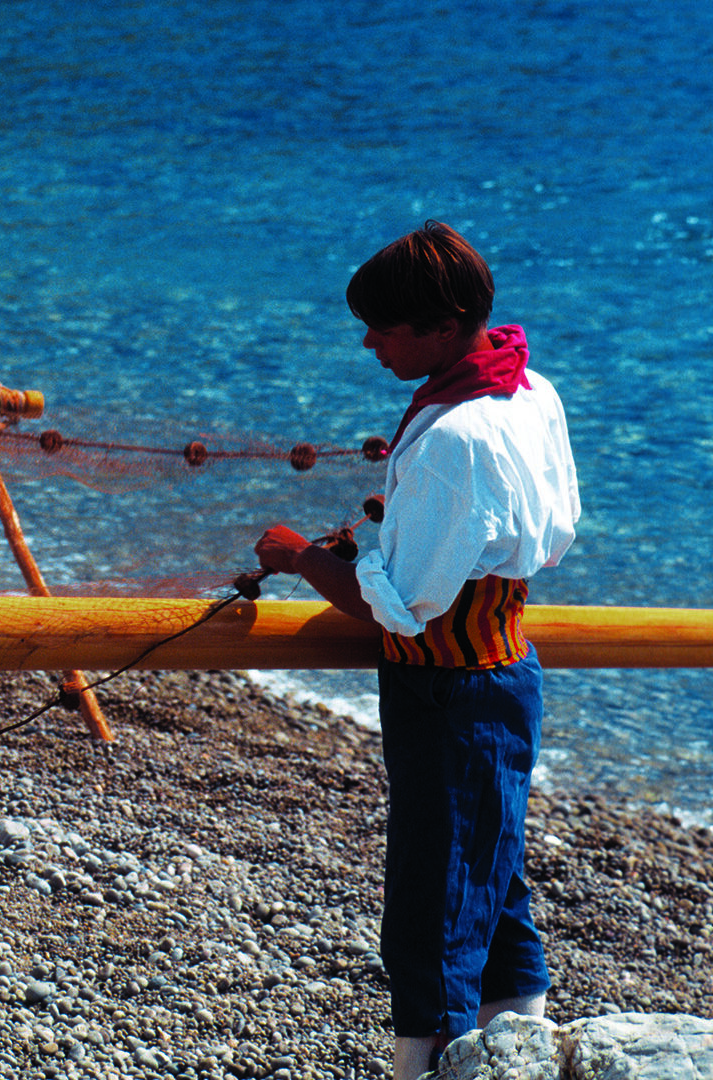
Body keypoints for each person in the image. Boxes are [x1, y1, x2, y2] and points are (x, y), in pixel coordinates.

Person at [253, 221, 580, 1080]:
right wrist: (412, 526)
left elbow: (397, 608)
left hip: (449, 689)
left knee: (433, 895)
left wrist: (302, 558)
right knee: (493, 867)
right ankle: (520, 1045)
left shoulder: (450, 440)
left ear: (444, 327)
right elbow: (545, 535)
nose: (368, 342)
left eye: (385, 328)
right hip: (509, 668)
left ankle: (420, 1066)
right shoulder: (527, 390)